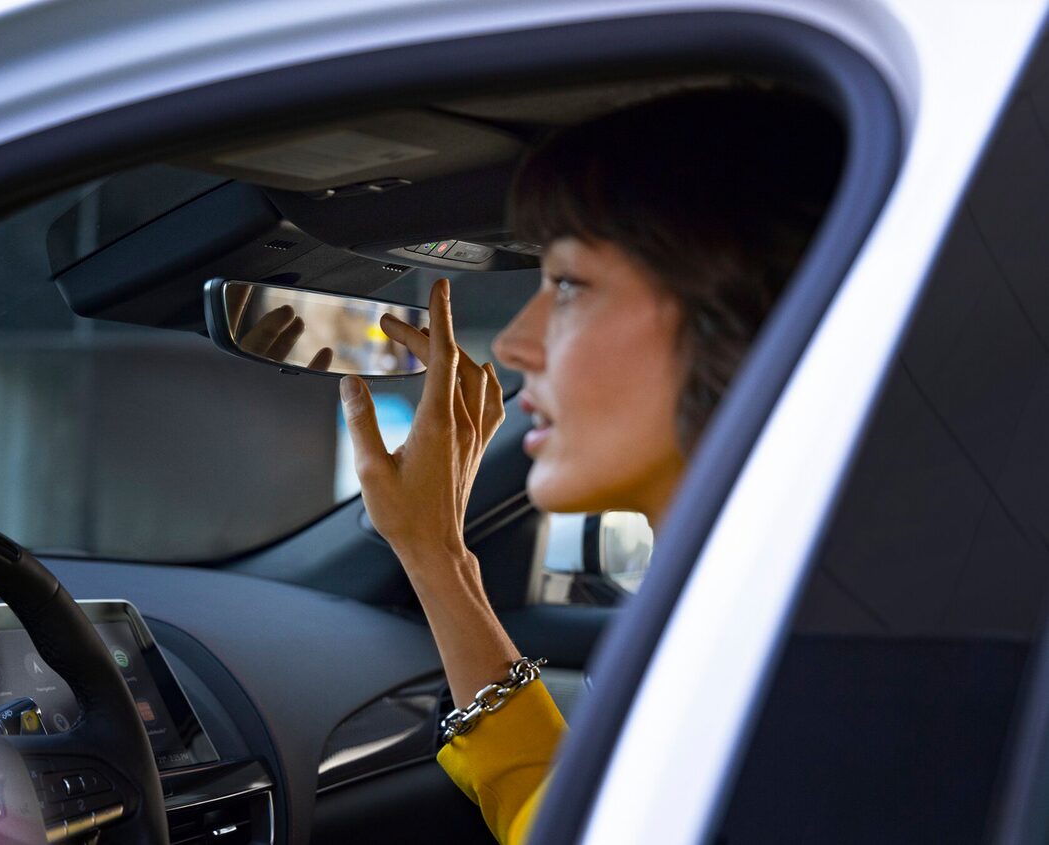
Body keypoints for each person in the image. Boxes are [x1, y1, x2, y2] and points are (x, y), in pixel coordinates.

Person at [338, 86, 843, 844]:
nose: (512, 344)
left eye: (569, 286)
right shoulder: (755, 624)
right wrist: (434, 551)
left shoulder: (779, 687)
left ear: (740, 318)